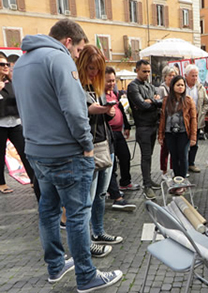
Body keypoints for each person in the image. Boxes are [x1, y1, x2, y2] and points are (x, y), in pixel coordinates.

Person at [13, 19, 122, 292]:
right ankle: (86, 276)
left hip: (37, 151)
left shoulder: (23, 63)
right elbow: (74, 111)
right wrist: (86, 144)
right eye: (77, 50)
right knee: (77, 215)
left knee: (48, 211)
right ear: (68, 41)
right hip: (66, 152)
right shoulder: (59, 59)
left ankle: (56, 265)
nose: (76, 56)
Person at [76, 45, 125, 257]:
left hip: (106, 145)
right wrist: (104, 109)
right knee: (87, 199)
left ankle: (97, 232)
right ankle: (88, 242)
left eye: (98, 68)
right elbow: (85, 111)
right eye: (91, 67)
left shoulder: (96, 88)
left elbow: (100, 114)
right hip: (90, 148)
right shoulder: (77, 86)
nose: (94, 72)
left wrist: (108, 110)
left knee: (100, 195)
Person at [127, 60, 162, 199]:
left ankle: (148, 181)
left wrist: (152, 101)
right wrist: (154, 101)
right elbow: (142, 105)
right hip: (143, 126)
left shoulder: (150, 85)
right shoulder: (132, 86)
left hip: (153, 125)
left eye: (148, 71)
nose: (147, 74)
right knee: (146, 156)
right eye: (144, 71)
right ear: (137, 70)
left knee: (149, 156)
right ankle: (147, 185)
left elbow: (160, 101)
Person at [0, 55, 34, 194]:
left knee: (25, 151)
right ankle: (1, 183)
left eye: (7, 64)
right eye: (2, 64)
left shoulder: (12, 83)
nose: (6, 66)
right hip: (0, 125)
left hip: (15, 123)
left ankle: (34, 179)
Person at [104, 67, 137, 211]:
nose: (111, 83)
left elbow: (121, 109)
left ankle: (124, 183)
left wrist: (127, 125)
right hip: (107, 134)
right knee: (111, 165)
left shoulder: (114, 93)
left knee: (125, 157)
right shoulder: (99, 95)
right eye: (109, 81)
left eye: (113, 80)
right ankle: (115, 194)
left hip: (118, 132)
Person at [158, 75, 197, 178]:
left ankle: (182, 180)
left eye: (182, 85)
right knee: (174, 157)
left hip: (183, 133)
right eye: (178, 85)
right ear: (173, 86)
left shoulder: (188, 100)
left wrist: (193, 137)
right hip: (169, 133)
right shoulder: (166, 100)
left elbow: (193, 119)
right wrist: (161, 135)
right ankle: (176, 179)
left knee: (183, 156)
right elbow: (163, 118)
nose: (180, 87)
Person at [185, 64, 208, 173]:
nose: (195, 78)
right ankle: (183, 164)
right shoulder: (182, 86)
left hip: (197, 120)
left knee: (194, 144)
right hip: (184, 121)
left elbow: (206, 102)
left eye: (196, 76)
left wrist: (202, 113)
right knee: (184, 143)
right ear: (186, 76)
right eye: (192, 76)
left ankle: (191, 163)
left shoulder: (200, 88)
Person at [158, 66, 178, 176]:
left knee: (174, 149)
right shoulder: (162, 89)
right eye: (169, 75)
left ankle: (173, 168)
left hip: (176, 122)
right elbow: (159, 104)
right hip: (166, 123)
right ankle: (164, 170)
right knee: (165, 148)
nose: (171, 77)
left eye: (173, 75)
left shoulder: (177, 88)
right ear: (165, 77)